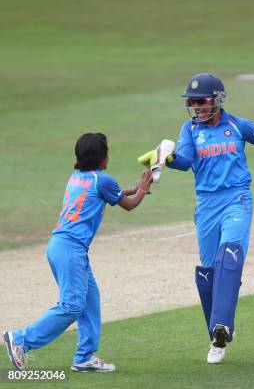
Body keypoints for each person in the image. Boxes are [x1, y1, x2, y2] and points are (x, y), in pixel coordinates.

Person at [138, 73, 254, 364]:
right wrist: (165, 157)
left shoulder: (238, 125)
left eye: (201, 101)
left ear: (217, 100)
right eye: (192, 102)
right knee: (209, 274)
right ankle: (218, 337)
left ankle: (222, 324)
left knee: (229, 257)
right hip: (206, 204)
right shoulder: (190, 129)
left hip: (237, 197)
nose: (196, 106)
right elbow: (186, 162)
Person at [3, 133, 153, 372]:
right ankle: (21, 339)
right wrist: (142, 189)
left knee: (89, 299)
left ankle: (85, 357)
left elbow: (108, 193)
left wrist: (135, 188)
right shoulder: (102, 180)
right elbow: (130, 204)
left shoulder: (77, 177)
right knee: (72, 306)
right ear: (103, 158)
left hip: (60, 246)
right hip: (71, 249)